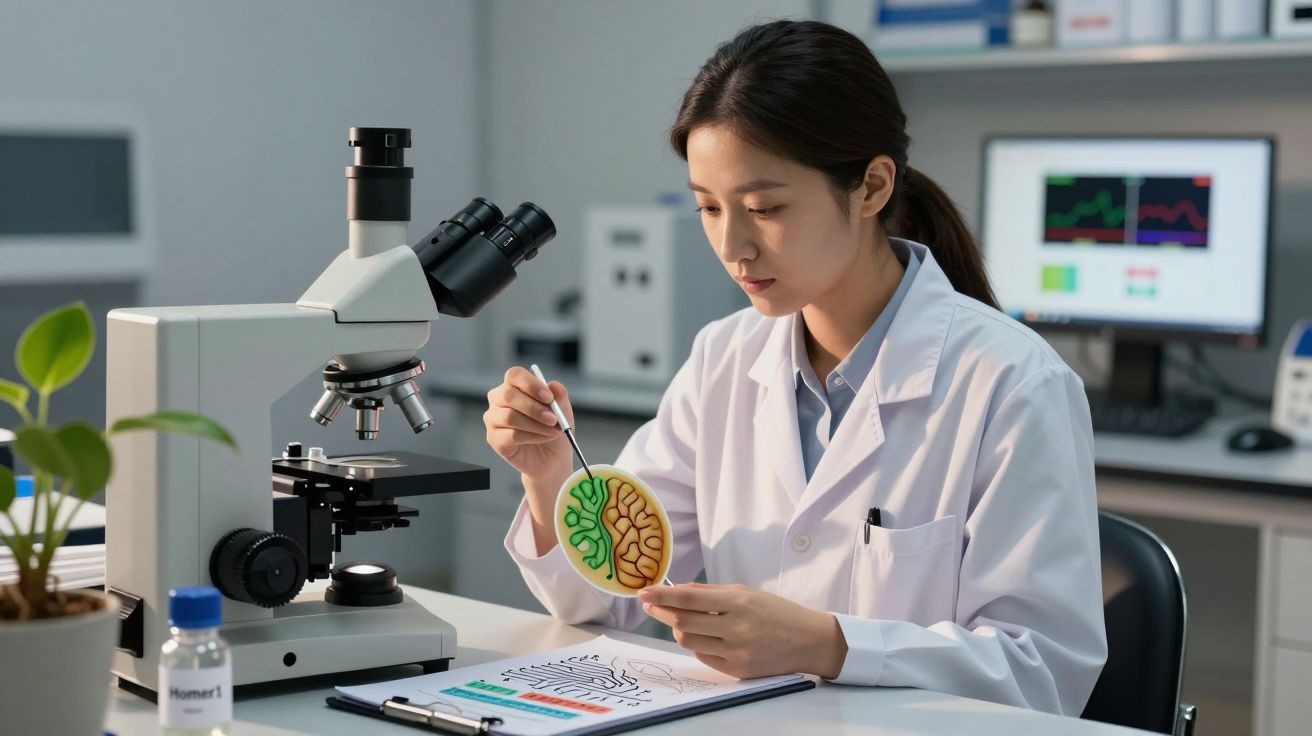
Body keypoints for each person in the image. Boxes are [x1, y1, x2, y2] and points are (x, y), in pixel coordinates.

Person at [483, 19, 1105, 716]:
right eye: (708, 208)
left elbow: (1042, 673)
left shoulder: (1012, 383)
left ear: (871, 187)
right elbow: (605, 602)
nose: (733, 245)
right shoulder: (725, 357)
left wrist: (829, 644)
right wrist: (548, 477)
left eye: (764, 208)